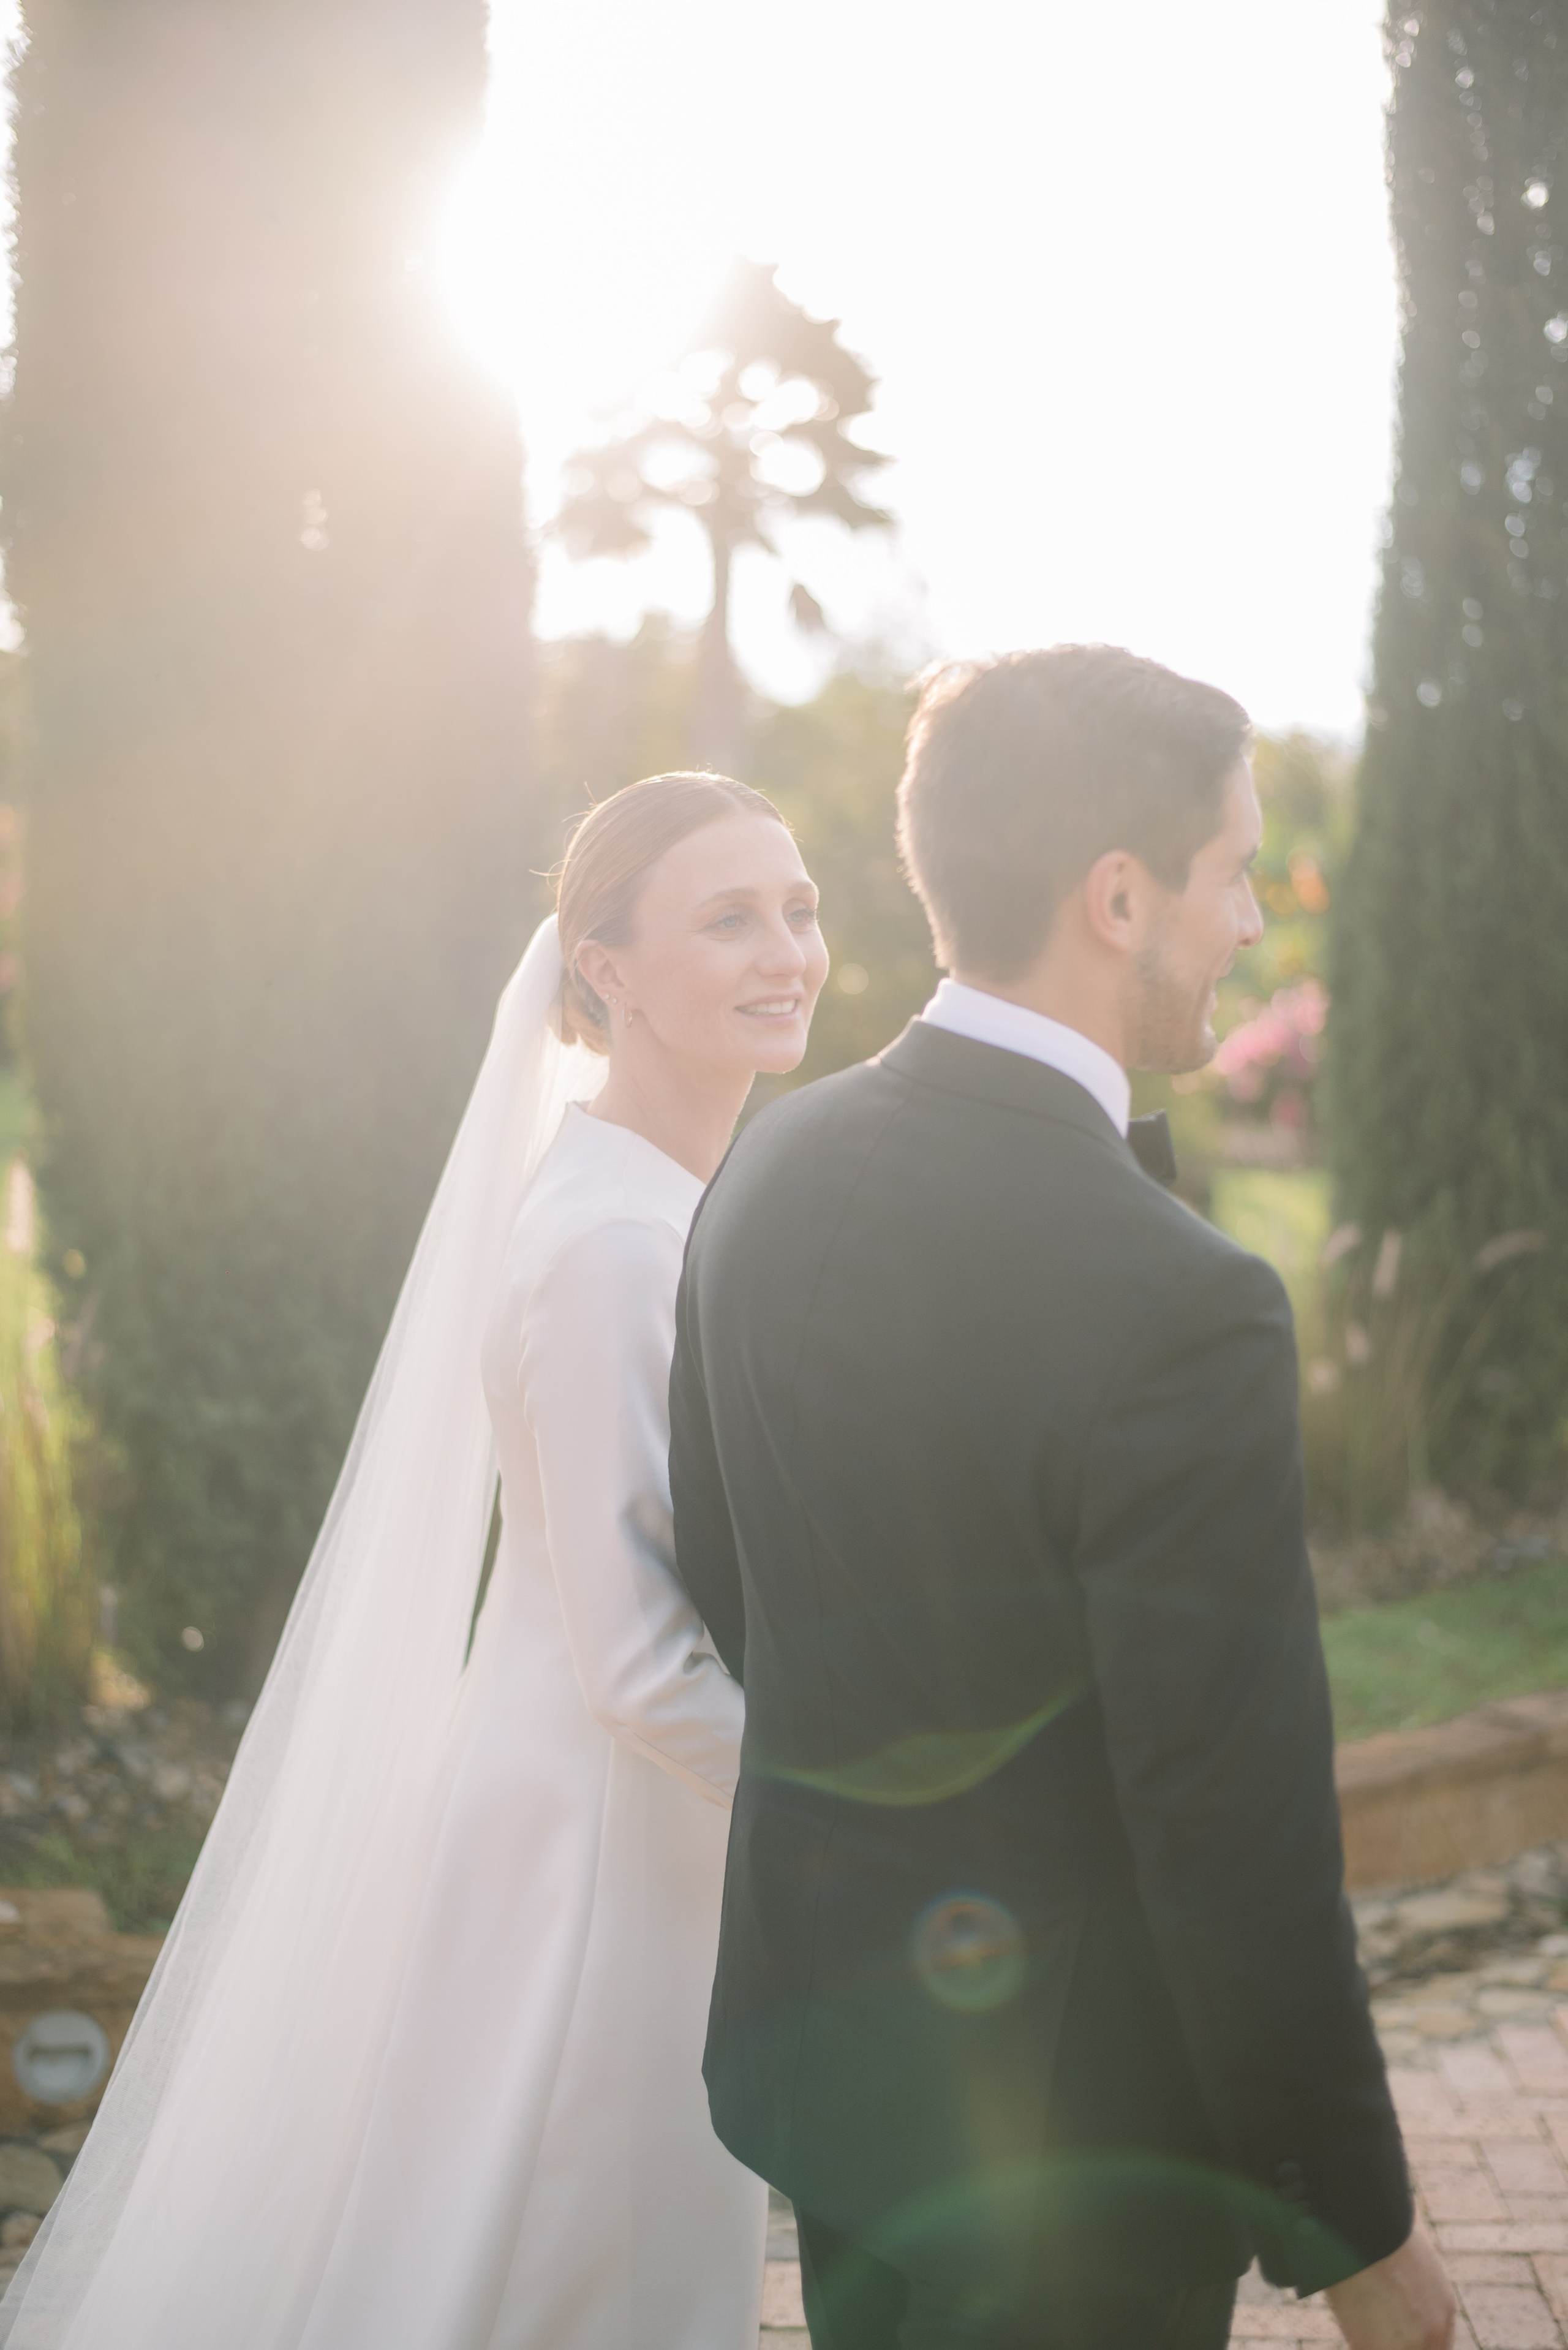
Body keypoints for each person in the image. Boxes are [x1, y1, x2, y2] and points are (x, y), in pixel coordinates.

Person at [669, 649, 1457, 2350]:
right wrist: (1365, 2233)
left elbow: (737, 1585)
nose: (1253, 919)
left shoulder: (765, 1168)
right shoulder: (1187, 1304)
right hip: (1076, 2162)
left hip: (840, 2073)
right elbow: (1233, 1827)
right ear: (1120, 896)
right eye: (1237, 871)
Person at [0, 771, 827, 2350]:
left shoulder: (668, 1203)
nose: (788, 949)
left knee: (547, 2242)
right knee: (595, 2259)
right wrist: (864, 1800)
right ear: (606, 969)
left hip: (626, 1816)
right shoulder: (609, 1245)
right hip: (598, 1841)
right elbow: (642, 1662)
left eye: (798, 909)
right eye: (731, 917)